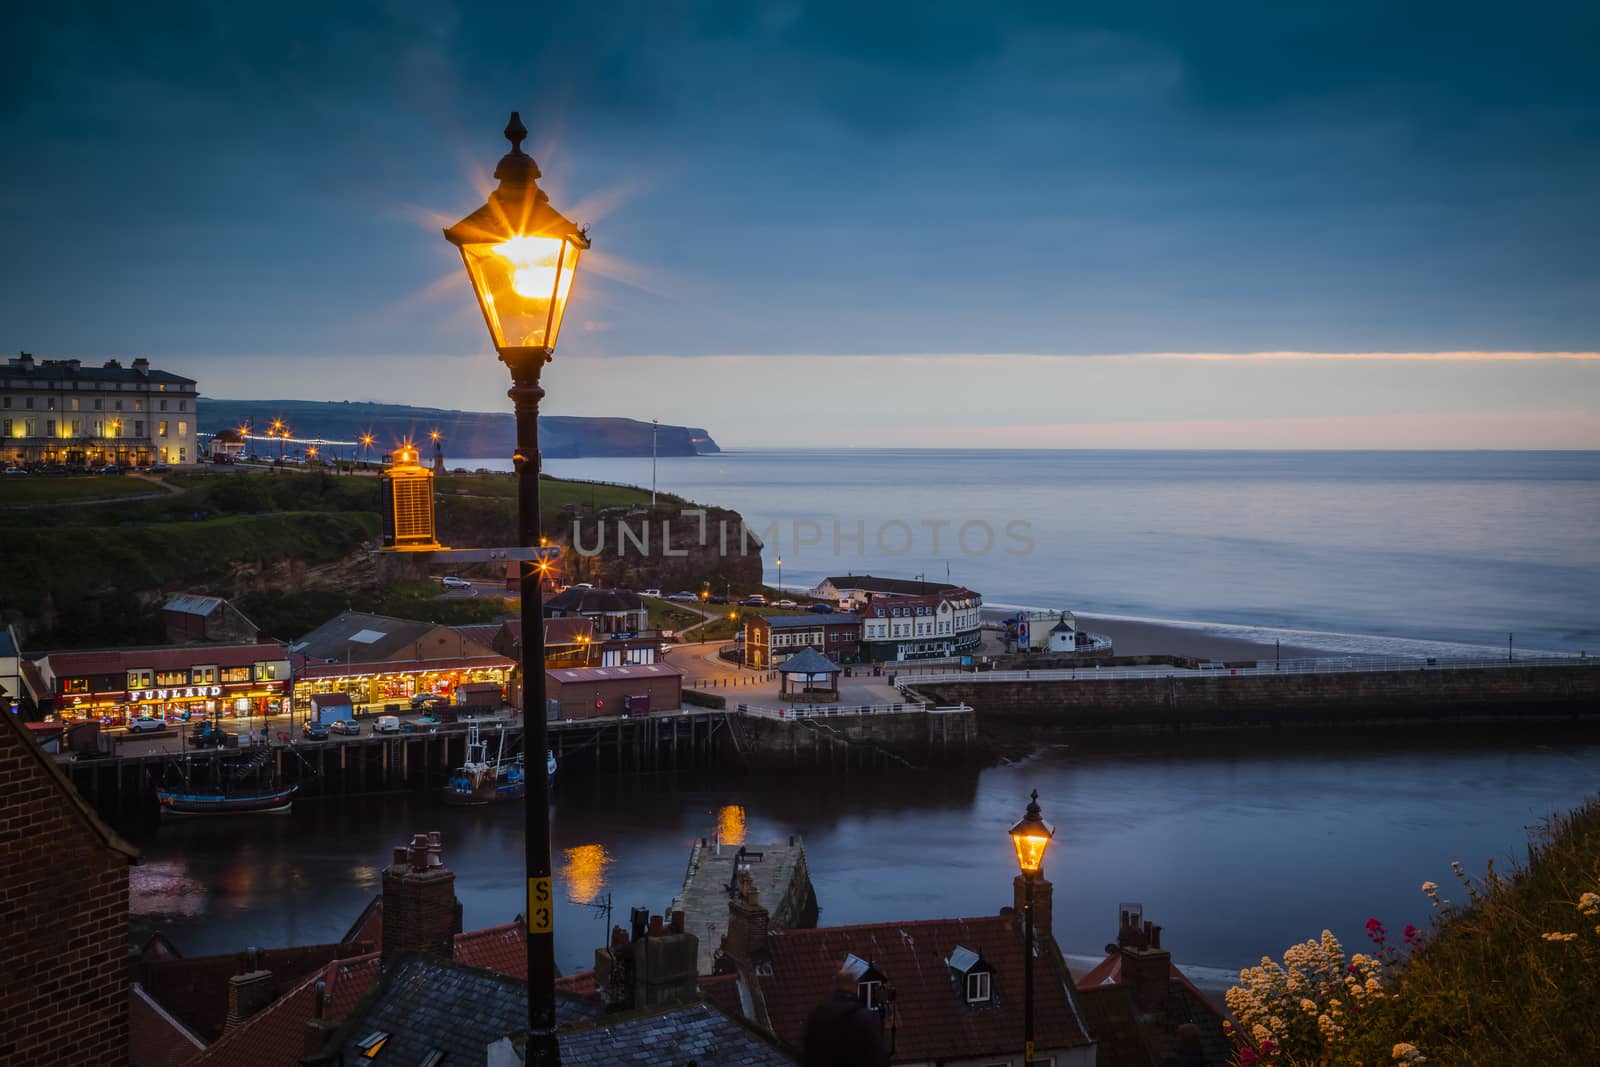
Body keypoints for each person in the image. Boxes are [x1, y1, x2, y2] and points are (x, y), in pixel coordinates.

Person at [801, 968, 890, 1067]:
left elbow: (807, 1053)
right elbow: (877, 1056)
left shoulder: (816, 1016)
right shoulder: (864, 1017)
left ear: (834, 986)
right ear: (855, 986)